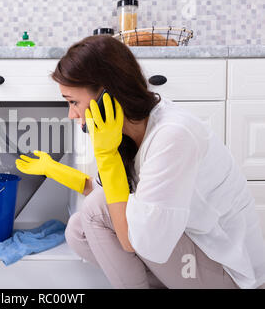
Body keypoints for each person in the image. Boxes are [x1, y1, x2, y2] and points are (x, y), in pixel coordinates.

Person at [15, 35, 265, 289]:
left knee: (94, 211)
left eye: (73, 102)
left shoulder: (173, 136)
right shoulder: (129, 131)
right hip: (190, 254)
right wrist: (53, 168)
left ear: (107, 98)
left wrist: (107, 158)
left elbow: (130, 241)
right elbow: (112, 198)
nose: (71, 114)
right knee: (78, 231)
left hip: (227, 273)